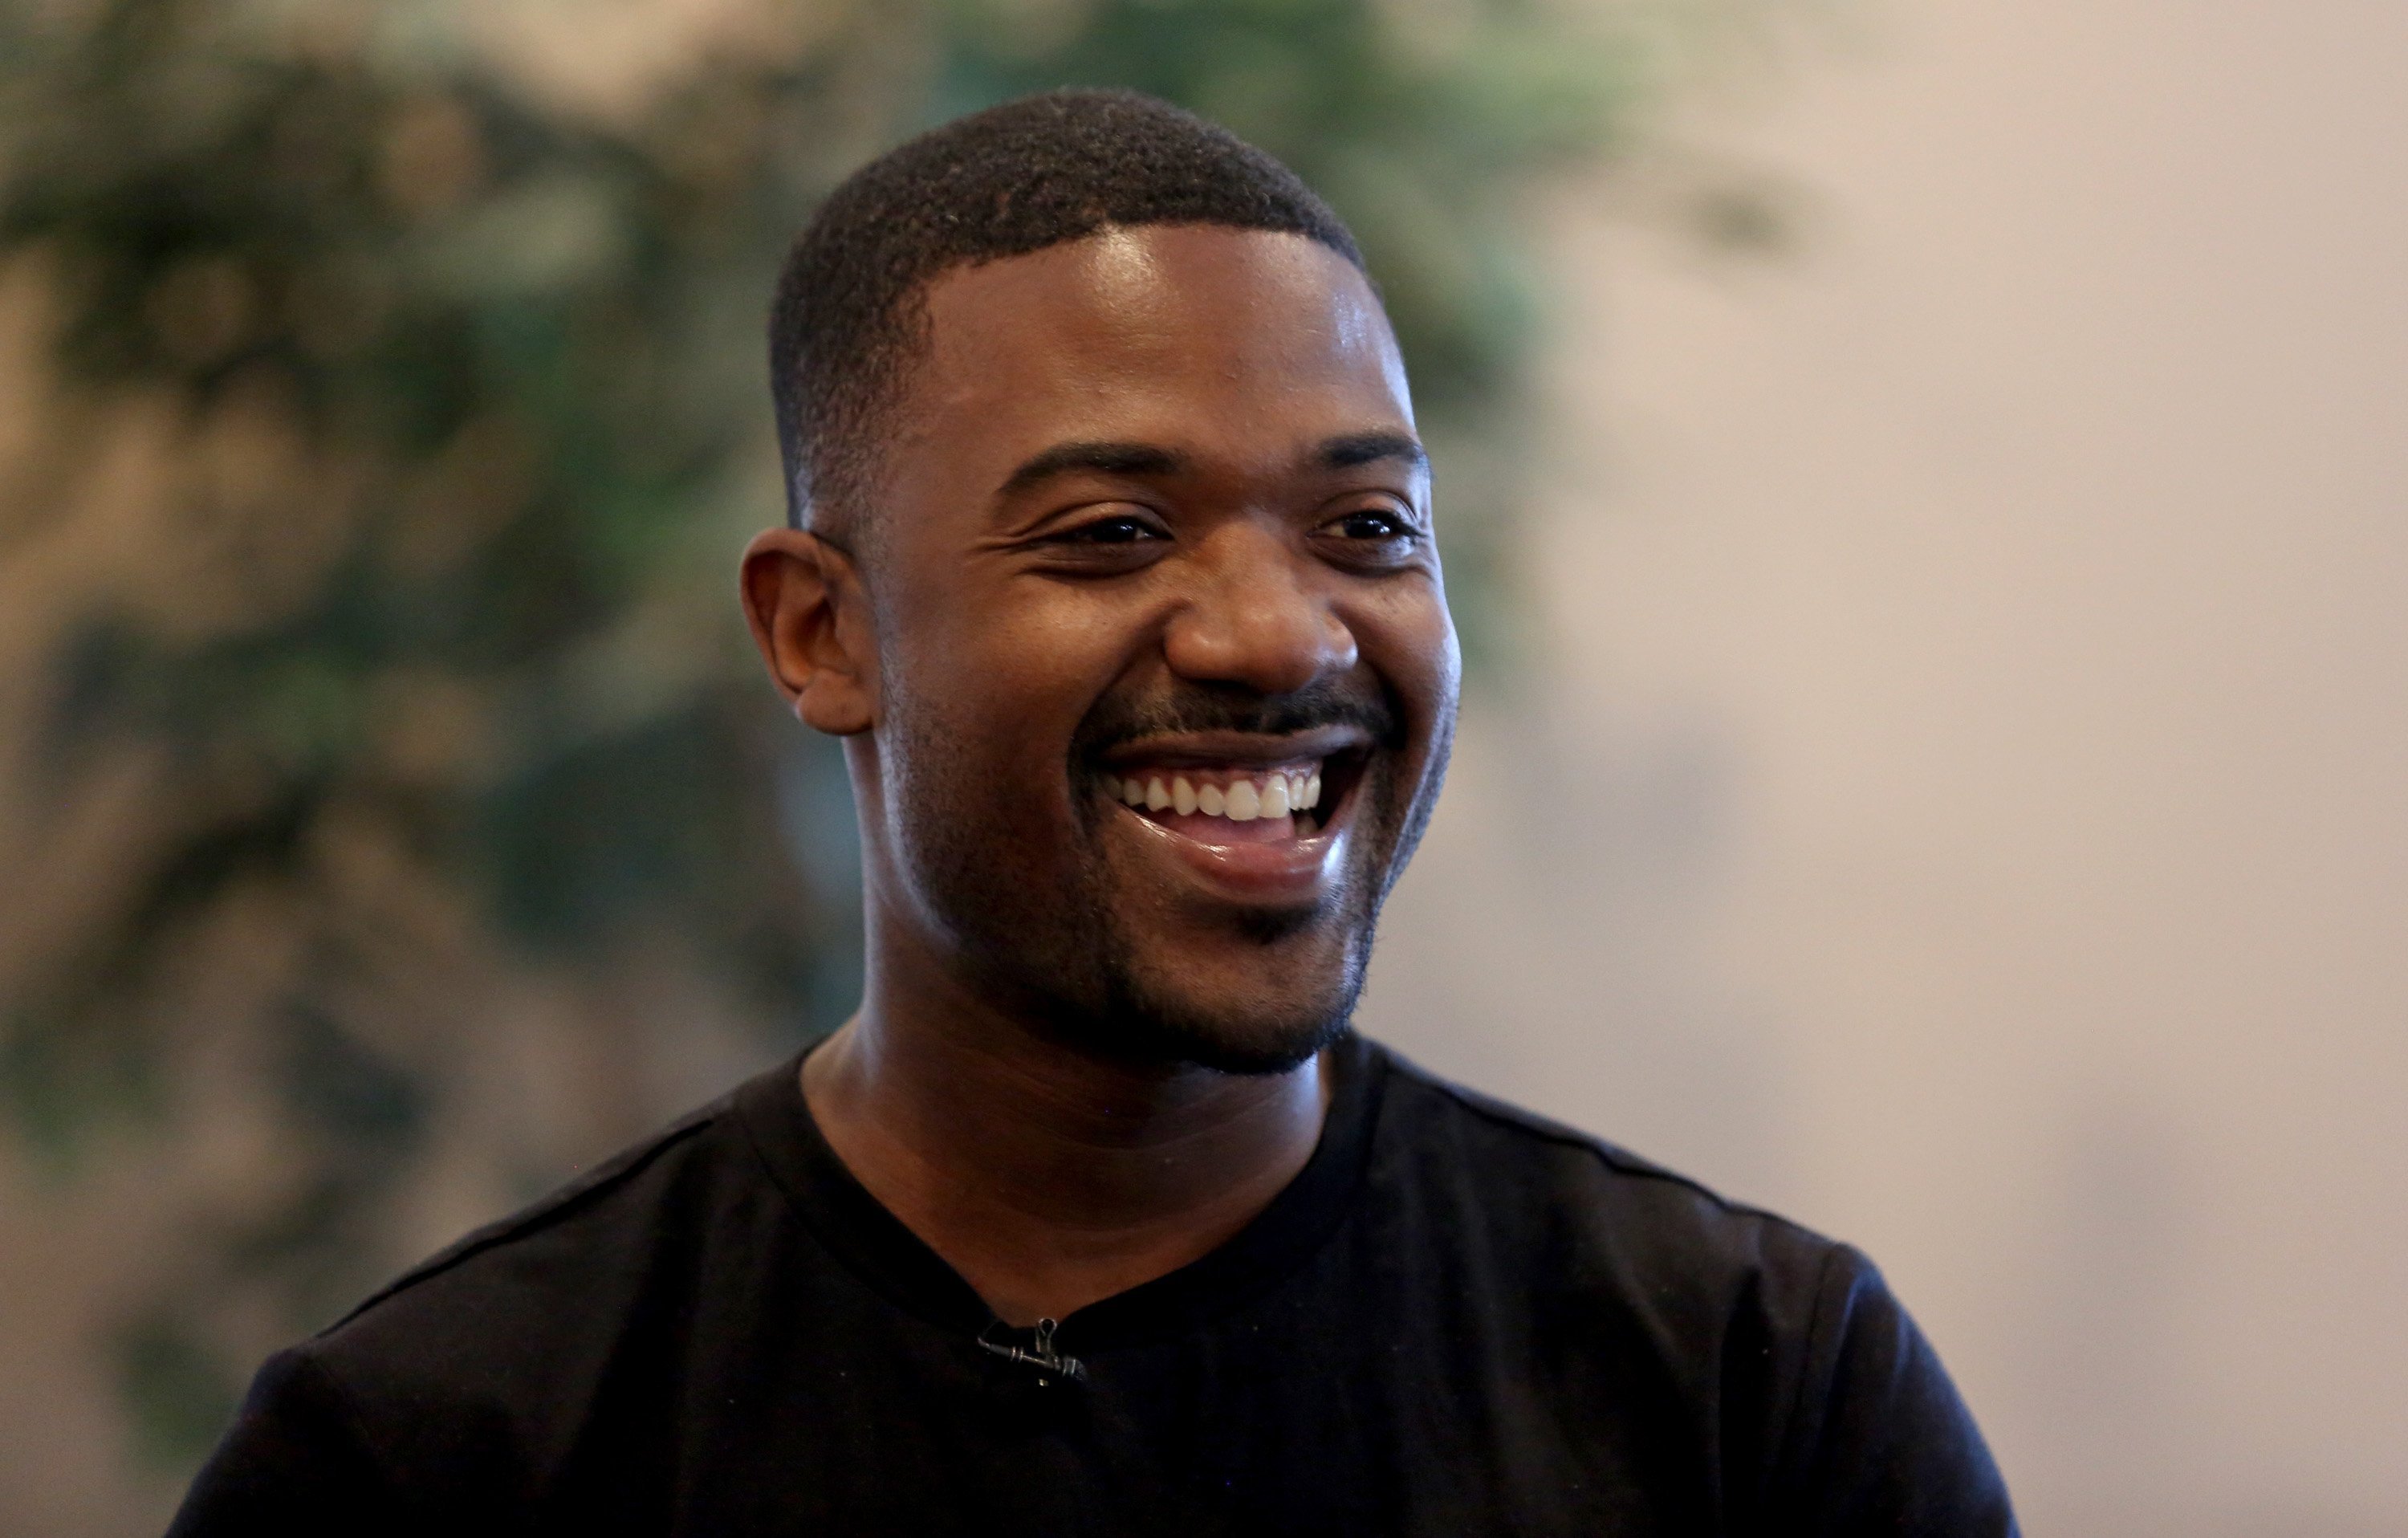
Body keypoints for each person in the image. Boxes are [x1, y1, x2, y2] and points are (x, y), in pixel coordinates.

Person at [169, 88, 2016, 1536]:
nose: (1276, 631)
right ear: (823, 631)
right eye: (1112, 533)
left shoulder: (1749, 1398)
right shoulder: (443, 1457)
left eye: (1367, 528)